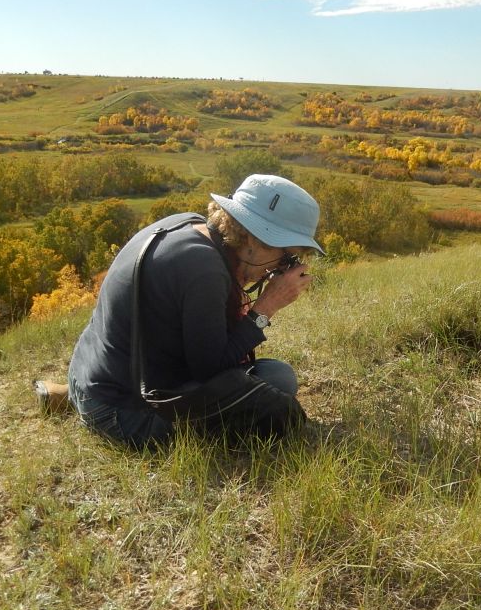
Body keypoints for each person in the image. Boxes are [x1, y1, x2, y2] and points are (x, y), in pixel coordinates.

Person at [34, 174, 323, 449]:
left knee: (278, 376)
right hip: (122, 409)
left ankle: (73, 397)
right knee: (280, 410)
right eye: (286, 257)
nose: (281, 269)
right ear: (254, 240)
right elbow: (210, 371)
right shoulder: (204, 270)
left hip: (93, 372)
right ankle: (89, 408)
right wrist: (266, 306)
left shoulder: (188, 226)